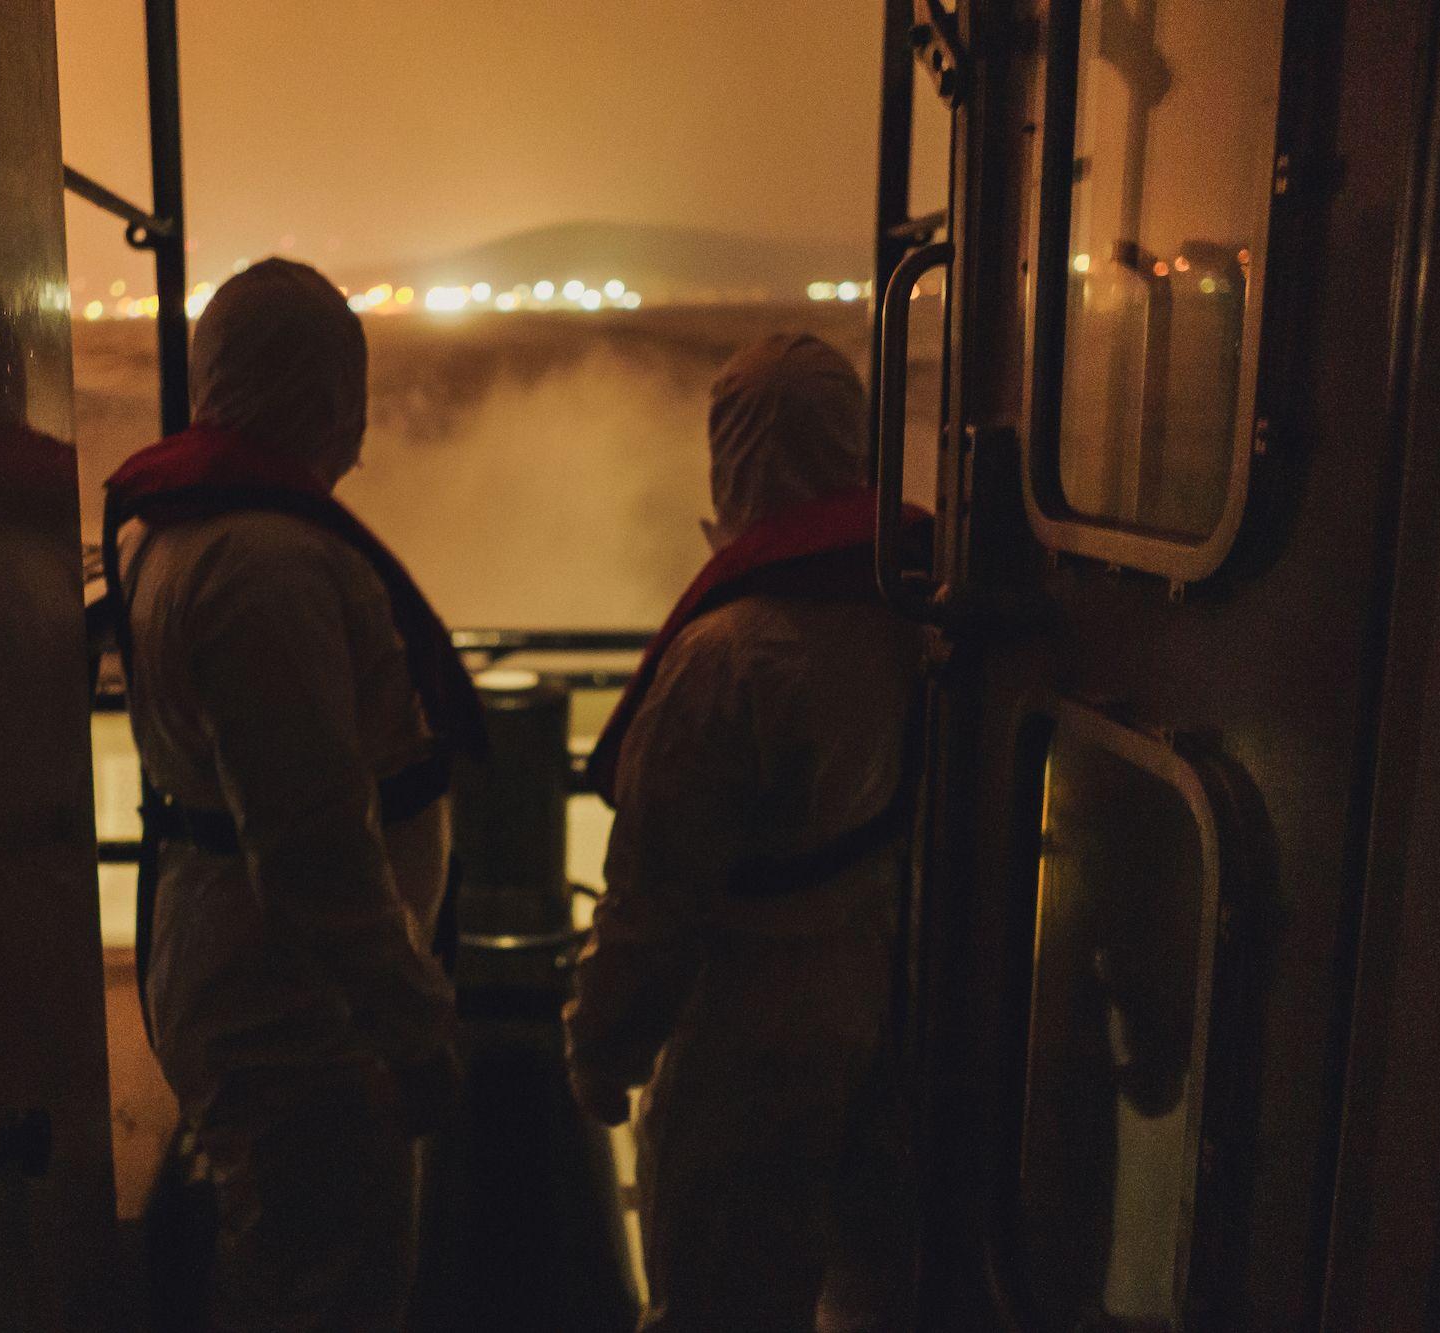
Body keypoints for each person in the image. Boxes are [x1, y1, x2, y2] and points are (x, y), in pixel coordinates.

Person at [101, 258, 483, 1331]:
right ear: (324, 393)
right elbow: (311, 840)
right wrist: (409, 1024)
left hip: (255, 972)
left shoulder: (184, 539)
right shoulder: (266, 567)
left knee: (282, 1264)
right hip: (296, 1006)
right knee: (321, 1290)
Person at [563, 333, 924, 1330]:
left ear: (729, 457)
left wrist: (603, 1047)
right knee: (876, 1286)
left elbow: (651, 895)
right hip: (882, 986)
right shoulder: (916, 614)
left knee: (720, 1294)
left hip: (742, 1024)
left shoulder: (724, 658)